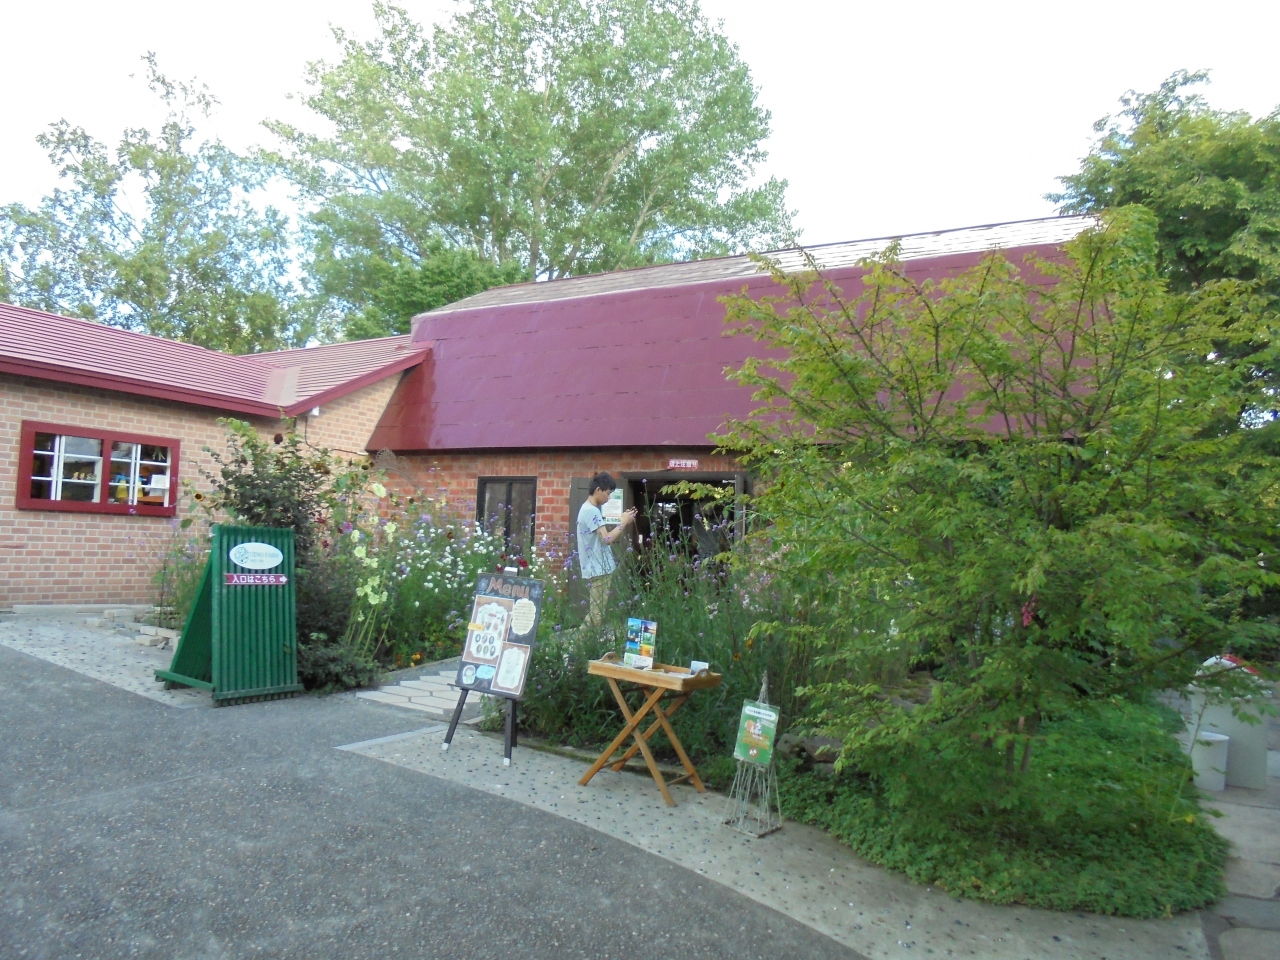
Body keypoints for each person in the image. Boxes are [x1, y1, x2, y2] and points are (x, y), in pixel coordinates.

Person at [576, 472, 636, 630]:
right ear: (598, 490)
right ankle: (578, 643)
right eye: (608, 493)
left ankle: (582, 641)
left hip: (596, 567)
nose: (609, 498)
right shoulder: (592, 511)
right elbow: (606, 539)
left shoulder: (587, 509)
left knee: (597, 612)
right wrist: (623, 523)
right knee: (596, 614)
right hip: (599, 568)